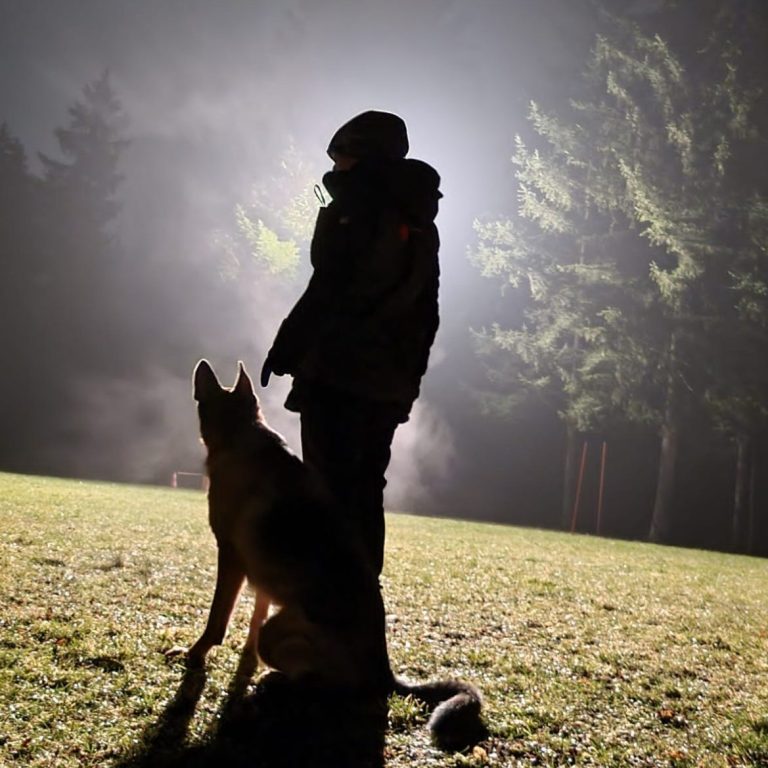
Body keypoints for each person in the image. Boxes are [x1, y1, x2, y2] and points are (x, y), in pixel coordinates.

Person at [261, 110, 441, 576]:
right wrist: (408, 384)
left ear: (361, 154)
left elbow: (330, 286)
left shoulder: (357, 206)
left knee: (328, 491)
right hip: (387, 384)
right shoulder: (419, 219)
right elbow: (427, 313)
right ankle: (361, 601)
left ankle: (328, 601)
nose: (334, 164)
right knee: (364, 492)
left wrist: (287, 347)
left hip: (339, 376)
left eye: (339, 154)